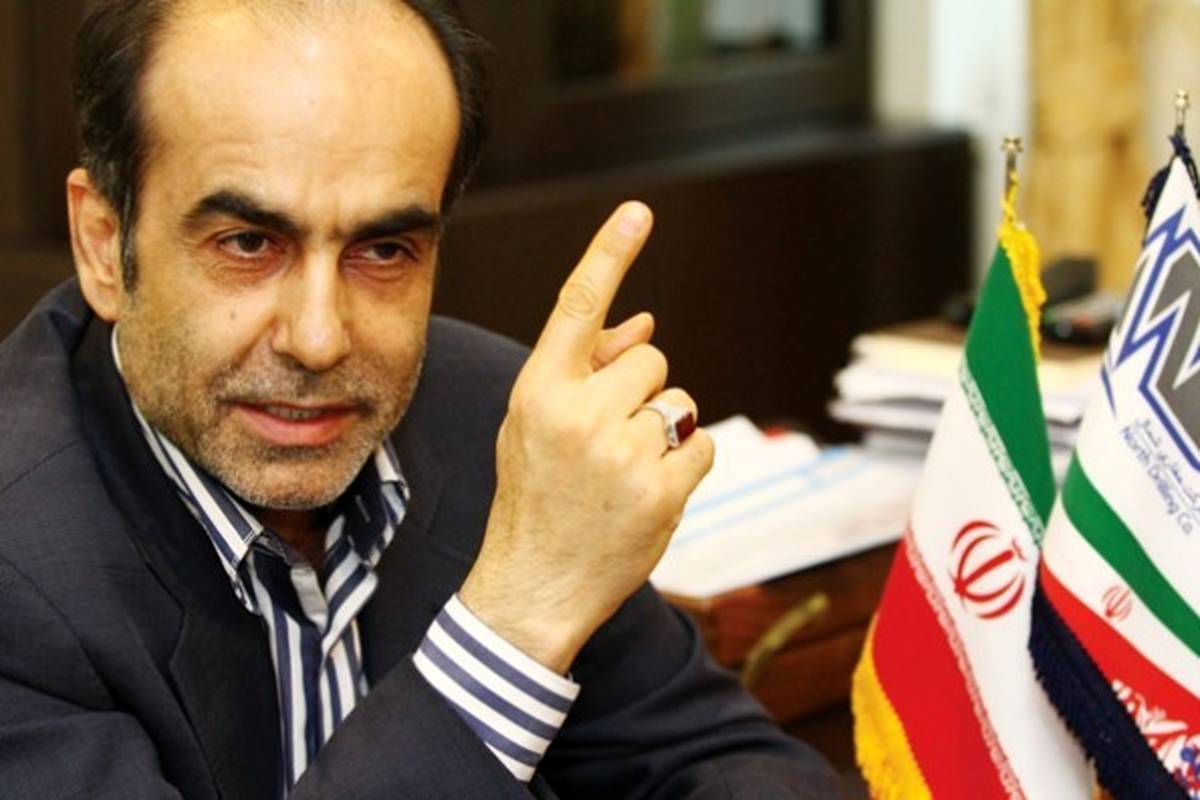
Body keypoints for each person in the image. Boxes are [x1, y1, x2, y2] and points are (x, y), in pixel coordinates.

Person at [0, 0, 841, 797]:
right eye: (248, 243)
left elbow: (718, 763)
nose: (320, 338)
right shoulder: (19, 564)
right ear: (104, 244)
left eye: (384, 251)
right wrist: (515, 619)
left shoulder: (499, 423)